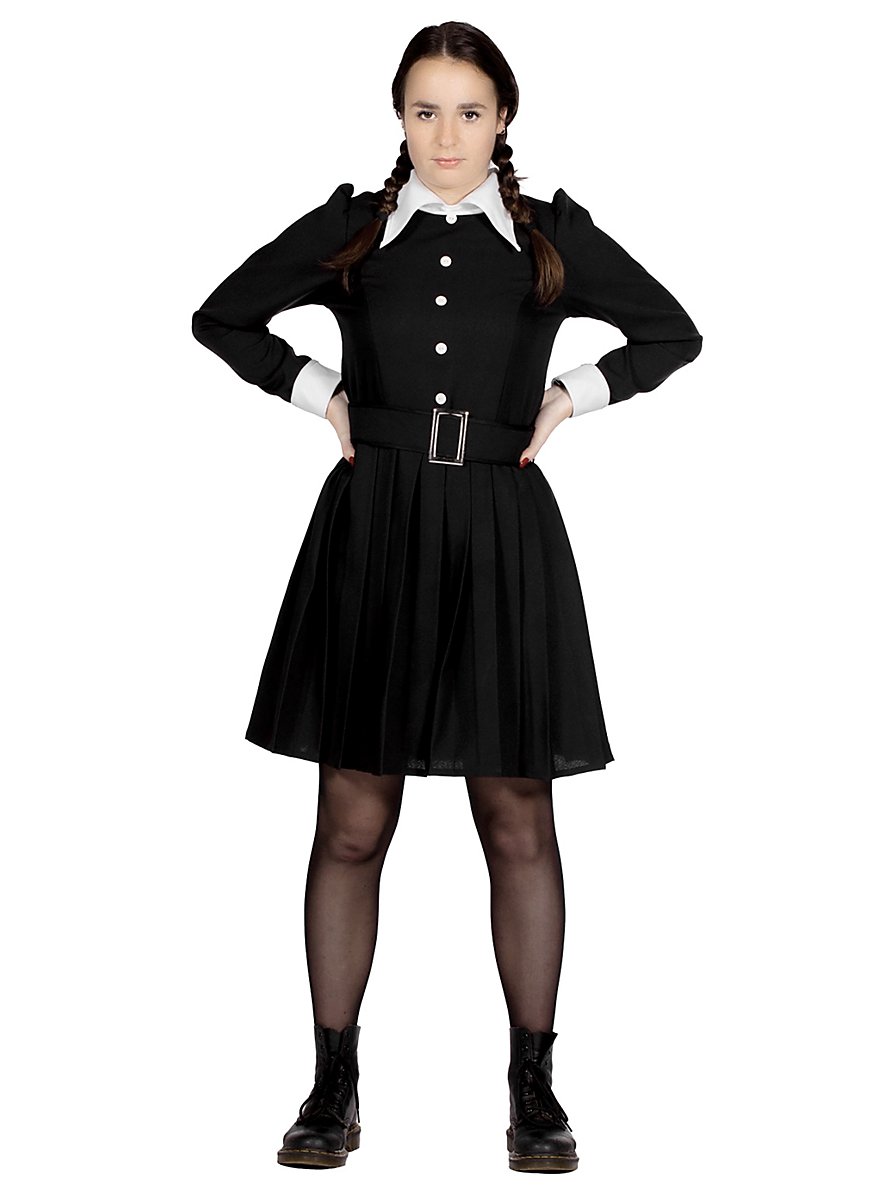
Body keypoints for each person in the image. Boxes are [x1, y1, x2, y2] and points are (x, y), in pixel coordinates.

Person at [191, 19, 702, 1174]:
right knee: (351, 819)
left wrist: (571, 395)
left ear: (503, 118)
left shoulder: (548, 239)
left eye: (469, 111)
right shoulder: (354, 233)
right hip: (373, 529)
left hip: (499, 532)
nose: (447, 135)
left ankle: (535, 1091)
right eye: (425, 110)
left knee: (517, 816)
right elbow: (223, 316)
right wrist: (319, 392)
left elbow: (671, 333)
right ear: (399, 117)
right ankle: (332, 1087)